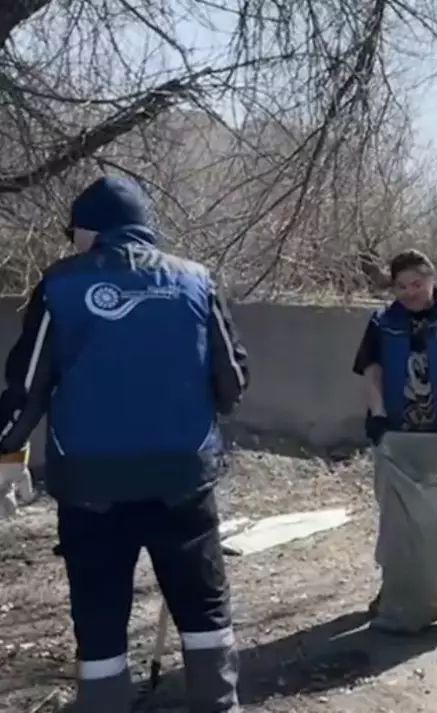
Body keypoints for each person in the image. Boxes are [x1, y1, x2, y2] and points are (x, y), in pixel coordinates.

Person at [0, 176, 250, 713]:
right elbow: (232, 380)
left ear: (90, 230)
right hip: (182, 476)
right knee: (203, 607)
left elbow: (27, 388)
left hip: (91, 484)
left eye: (73, 232)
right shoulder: (196, 280)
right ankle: (218, 704)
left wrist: (6, 447)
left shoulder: (61, 285)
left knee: (99, 611)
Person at [351, 248, 437, 614]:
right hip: (396, 434)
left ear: (432, 279)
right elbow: (372, 371)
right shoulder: (382, 323)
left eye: (417, 283)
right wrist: (378, 415)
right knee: (397, 521)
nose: (410, 292)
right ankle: (396, 590)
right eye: (401, 286)